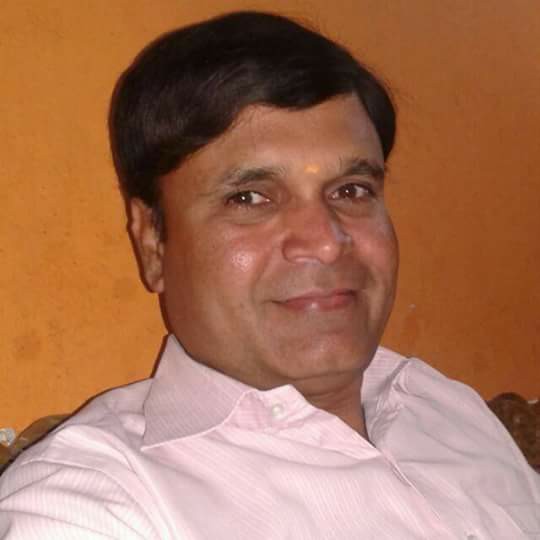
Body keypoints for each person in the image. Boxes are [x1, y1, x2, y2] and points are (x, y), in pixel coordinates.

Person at [0, 10, 538, 539]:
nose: (326, 240)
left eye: (351, 190)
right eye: (250, 198)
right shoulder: (93, 507)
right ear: (153, 243)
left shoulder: (443, 405)